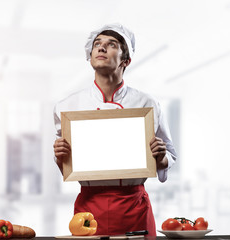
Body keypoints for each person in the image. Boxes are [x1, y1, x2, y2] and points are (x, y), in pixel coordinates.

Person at [52, 23, 177, 237]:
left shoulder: (147, 103)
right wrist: (59, 156)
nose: (101, 48)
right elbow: (68, 164)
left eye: (112, 45)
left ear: (125, 60)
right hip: (89, 208)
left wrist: (161, 156)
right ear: (90, 56)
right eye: (97, 44)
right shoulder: (67, 106)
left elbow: (170, 155)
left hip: (134, 206)